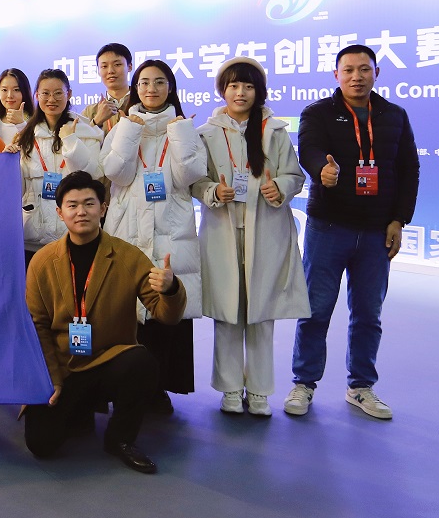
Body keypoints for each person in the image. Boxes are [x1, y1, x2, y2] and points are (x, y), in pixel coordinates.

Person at [286, 44, 419, 421]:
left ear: (377, 73)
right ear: (336, 75)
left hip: (377, 231)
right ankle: (304, 383)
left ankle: (361, 386)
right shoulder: (318, 112)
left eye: (364, 69)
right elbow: (309, 150)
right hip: (329, 227)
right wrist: (321, 170)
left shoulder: (394, 115)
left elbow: (409, 169)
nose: (356, 77)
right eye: (348, 70)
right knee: (315, 311)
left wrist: (399, 219)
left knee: (367, 314)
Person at [24, 171, 187, 473]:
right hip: (64, 367)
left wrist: (171, 289)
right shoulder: (42, 262)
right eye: (72, 205)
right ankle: (78, 410)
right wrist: (53, 379)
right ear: (60, 212)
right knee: (40, 444)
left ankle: (120, 439)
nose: (81, 212)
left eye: (89, 203)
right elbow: (38, 326)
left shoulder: (127, 256)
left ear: (103, 208)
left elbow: (167, 315)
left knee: (141, 362)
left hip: (109, 360)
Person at [193, 58, 309, 418]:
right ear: (222, 90)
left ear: (259, 91)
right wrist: (213, 192)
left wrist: (280, 188)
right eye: (233, 86)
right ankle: (230, 388)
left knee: (260, 313)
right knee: (228, 312)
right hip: (222, 231)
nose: (240, 93)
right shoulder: (206, 133)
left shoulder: (274, 131)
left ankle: (259, 391)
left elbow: (295, 175)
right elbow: (195, 181)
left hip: (267, 230)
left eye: (248, 86)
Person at [100, 59, 205, 413]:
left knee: (165, 309)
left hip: (171, 229)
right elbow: (116, 172)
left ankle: (159, 388)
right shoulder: (122, 128)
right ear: (135, 88)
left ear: (170, 88)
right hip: (127, 227)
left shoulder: (184, 127)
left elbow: (189, 175)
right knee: (126, 312)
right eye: (144, 82)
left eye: (160, 82)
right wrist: (130, 129)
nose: (151, 89)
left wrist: (180, 132)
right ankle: (125, 387)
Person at [17, 69, 104, 266]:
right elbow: (19, 189)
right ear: (36, 95)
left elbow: (91, 175)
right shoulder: (26, 136)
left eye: (58, 93)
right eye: (45, 93)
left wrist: (70, 140)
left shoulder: (85, 131)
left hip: (75, 234)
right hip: (32, 237)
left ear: (69, 94)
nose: (51, 99)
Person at [85, 43, 133, 133]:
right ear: (98, 71)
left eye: (117, 64)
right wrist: (96, 121)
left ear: (129, 67)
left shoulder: (142, 104)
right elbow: (80, 140)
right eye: (104, 66)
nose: (110, 71)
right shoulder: (90, 111)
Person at [0, 68, 33, 145]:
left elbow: (37, 147)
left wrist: (21, 125)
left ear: (24, 91)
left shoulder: (34, 121)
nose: (10, 95)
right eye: (4, 90)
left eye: (16, 90)